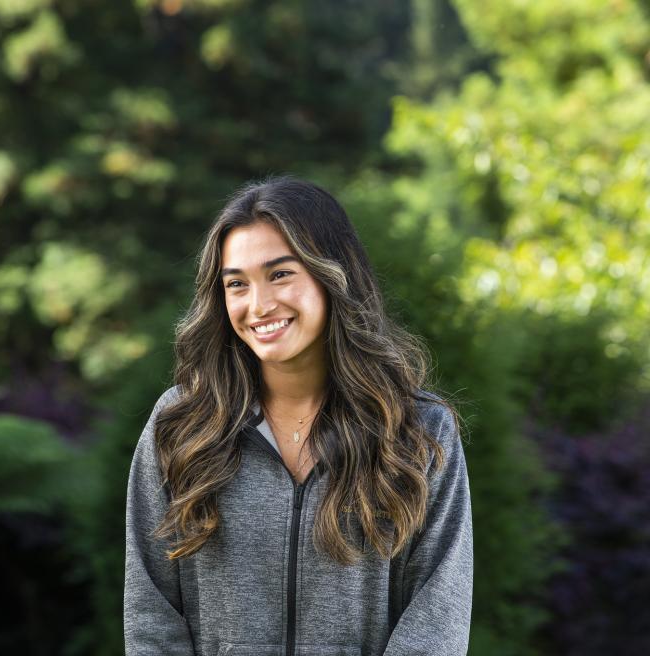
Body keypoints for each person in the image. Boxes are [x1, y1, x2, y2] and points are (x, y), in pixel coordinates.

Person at [124, 176, 473, 656]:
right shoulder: (182, 426)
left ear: (333, 275)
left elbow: (436, 620)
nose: (258, 305)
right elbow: (151, 614)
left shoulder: (417, 432)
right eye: (236, 284)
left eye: (281, 274)